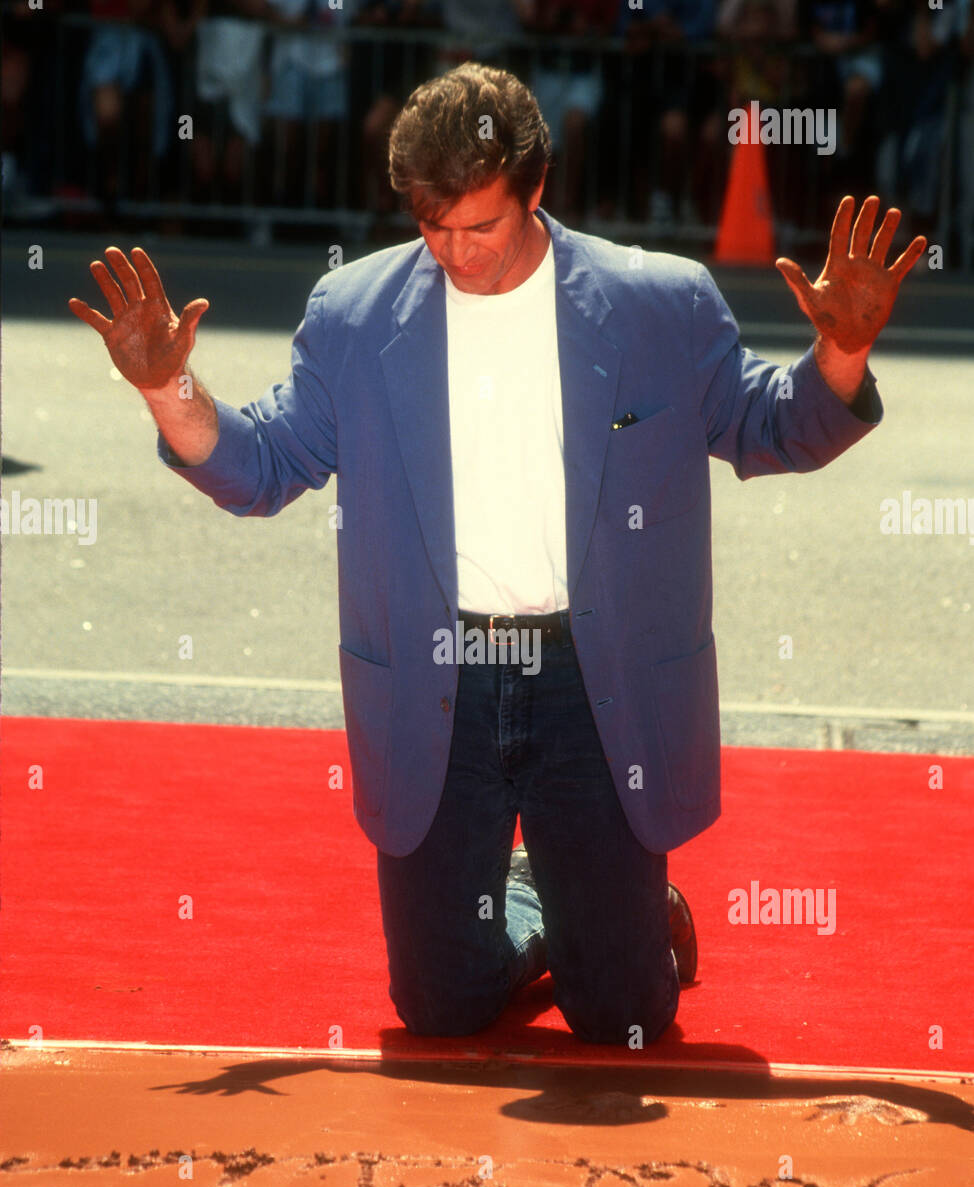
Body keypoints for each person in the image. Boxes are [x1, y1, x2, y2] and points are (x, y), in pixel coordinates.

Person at [68, 63, 925, 1046]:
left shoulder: (655, 302)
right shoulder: (352, 315)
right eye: (430, 226)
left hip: (590, 681)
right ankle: (534, 905)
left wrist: (840, 354)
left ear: (536, 187)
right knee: (439, 1008)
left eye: (478, 225)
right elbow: (263, 464)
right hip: (439, 680)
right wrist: (168, 386)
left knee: (621, 1018)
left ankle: (629, 925)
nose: (454, 252)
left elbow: (769, 426)